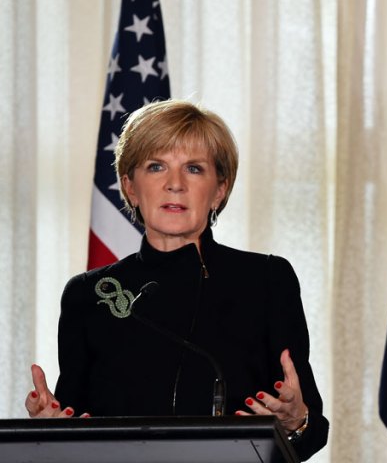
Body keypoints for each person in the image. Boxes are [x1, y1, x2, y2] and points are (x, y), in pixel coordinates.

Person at [24, 100, 329, 460]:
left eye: (194, 169)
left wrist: (297, 421)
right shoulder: (88, 294)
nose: (175, 184)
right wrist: (49, 429)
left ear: (219, 190)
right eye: (156, 167)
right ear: (131, 188)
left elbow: (312, 431)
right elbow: (74, 426)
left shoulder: (266, 280)